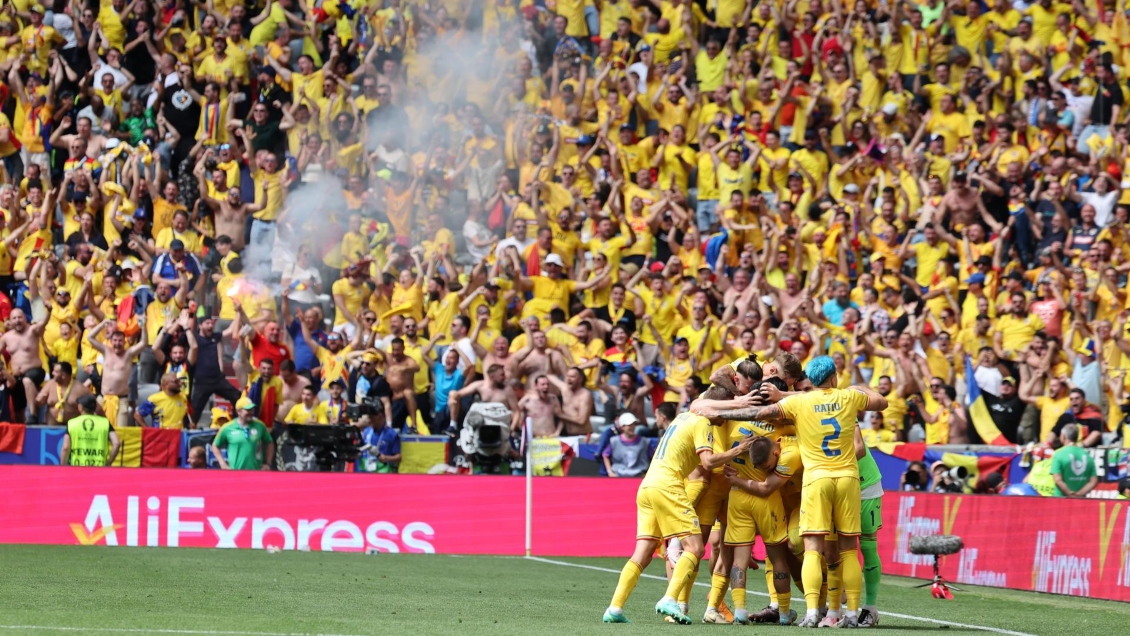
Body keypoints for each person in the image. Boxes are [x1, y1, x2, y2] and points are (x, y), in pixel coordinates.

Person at [707, 356, 887, 628]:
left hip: (817, 481)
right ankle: (851, 613)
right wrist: (858, 388)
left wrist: (722, 413)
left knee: (813, 550)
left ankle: (813, 612)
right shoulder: (848, 398)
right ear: (834, 378)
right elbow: (881, 402)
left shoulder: (799, 402)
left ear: (808, 382)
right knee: (849, 549)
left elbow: (758, 413)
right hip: (848, 478)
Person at [603, 385, 755, 625]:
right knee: (694, 547)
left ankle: (615, 607)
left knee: (642, 553)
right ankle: (670, 598)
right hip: (669, 486)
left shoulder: (682, 418)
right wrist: (738, 449)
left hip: (647, 486)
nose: (724, 418)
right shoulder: (703, 421)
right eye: (724, 413)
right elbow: (707, 461)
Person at [211, 397, 275, 470]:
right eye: (247, 410)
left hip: (257, 472)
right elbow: (215, 446)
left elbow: (269, 443)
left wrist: (268, 463)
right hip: (235, 472)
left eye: (251, 410)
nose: (250, 412)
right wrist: (223, 464)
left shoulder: (260, 425)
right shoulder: (227, 428)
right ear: (239, 412)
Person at [61, 394, 120, 467]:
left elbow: (65, 448)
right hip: (99, 468)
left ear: (80, 407)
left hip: (76, 467)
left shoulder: (72, 423)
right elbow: (116, 443)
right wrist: (109, 463)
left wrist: (62, 466)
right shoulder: (105, 423)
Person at [1050, 423, 1098, 498]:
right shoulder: (1087, 455)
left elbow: (1058, 480)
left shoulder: (1058, 454)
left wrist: (1070, 494)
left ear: (1063, 436)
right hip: (1081, 502)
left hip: (1060, 501)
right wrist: (1079, 494)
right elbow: (1093, 481)